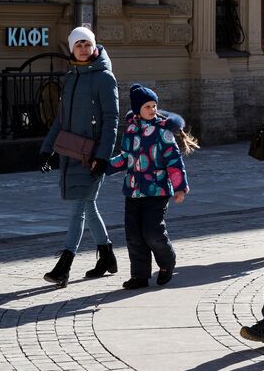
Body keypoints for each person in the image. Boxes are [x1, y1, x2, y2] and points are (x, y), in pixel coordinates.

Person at [40, 27, 120, 288]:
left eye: (87, 44)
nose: (83, 49)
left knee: (78, 207)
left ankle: (64, 266)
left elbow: (112, 120)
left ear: (94, 46)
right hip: (71, 152)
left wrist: (103, 156)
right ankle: (107, 255)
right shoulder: (72, 76)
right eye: (78, 45)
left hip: (93, 156)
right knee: (87, 205)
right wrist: (47, 149)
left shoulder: (104, 78)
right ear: (72, 49)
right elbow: (61, 119)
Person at [105, 84, 198, 289]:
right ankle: (140, 276)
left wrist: (180, 187)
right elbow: (127, 158)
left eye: (154, 105)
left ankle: (167, 263)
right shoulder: (130, 129)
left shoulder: (162, 132)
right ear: (138, 109)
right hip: (133, 190)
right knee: (134, 235)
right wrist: (106, 166)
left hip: (157, 190)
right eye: (147, 106)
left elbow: (173, 161)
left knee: (152, 232)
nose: (152, 110)